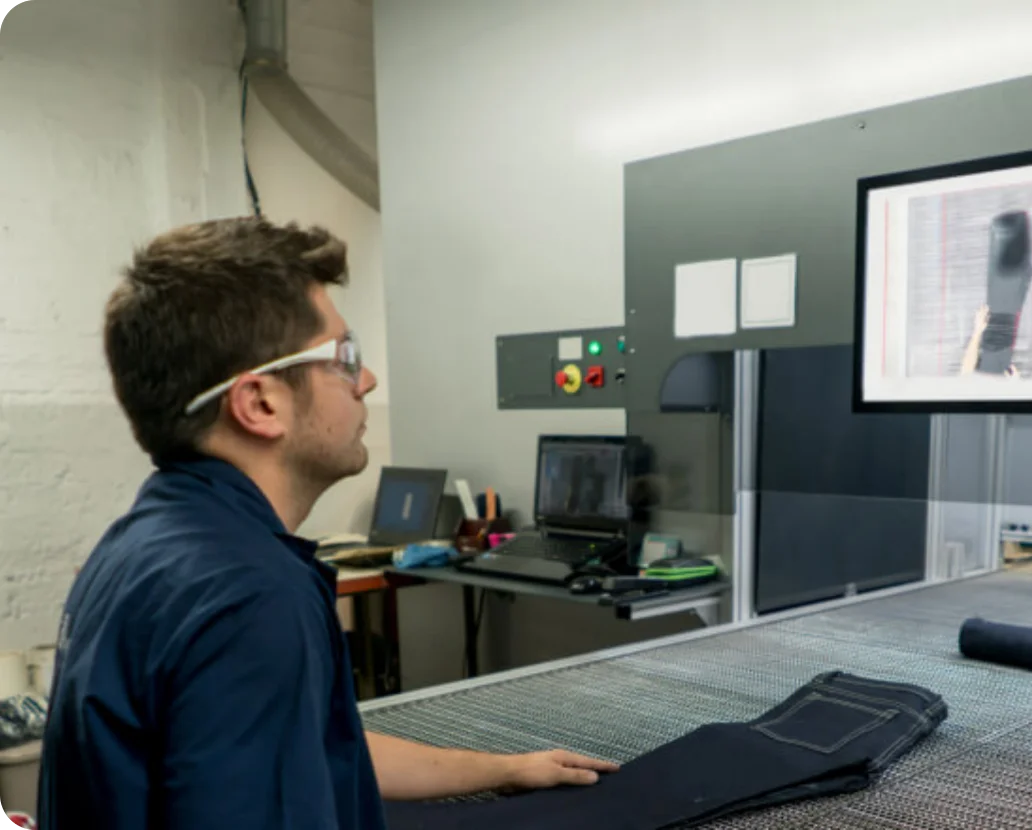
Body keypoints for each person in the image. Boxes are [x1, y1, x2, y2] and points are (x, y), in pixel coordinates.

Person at [36, 217, 618, 828]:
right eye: (345, 357)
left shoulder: (143, 545)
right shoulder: (248, 595)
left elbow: (308, 748)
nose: (366, 380)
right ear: (260, 403)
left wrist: (505, 769)